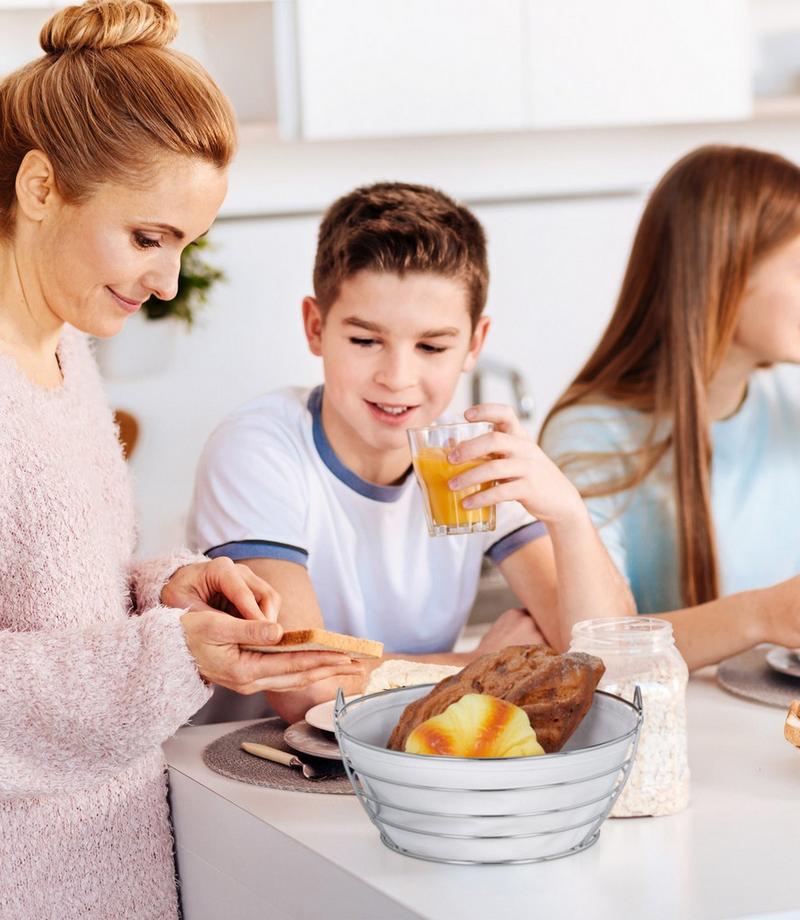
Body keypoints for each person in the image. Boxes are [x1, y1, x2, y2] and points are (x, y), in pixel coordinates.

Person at [0, 1, 362, 917]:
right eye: (147, 238)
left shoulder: (61, 351)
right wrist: (171, 657)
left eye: (183, 246)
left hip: (106, 863)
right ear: (41, 187)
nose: (167, 282)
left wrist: (166, 591)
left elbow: (50, 598)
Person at [188, 181, 634, 724]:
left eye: (431, 346)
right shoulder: (260, 449)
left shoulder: (467, 460)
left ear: (474, 344)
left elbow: (611, 659)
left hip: (418, 753)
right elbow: (302, 687)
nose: (398, 378)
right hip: (261, 767)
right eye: (365, 341)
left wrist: (567, 513)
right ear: (315, 327)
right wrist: (481, 666)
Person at [540, 144, 800, 670]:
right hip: (682, 728)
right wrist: (761, 615)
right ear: (727, 279)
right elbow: (594, 646)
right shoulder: (592, 435)